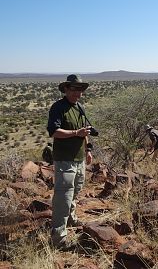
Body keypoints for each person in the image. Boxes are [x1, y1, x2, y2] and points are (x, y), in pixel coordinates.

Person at [47, 74, 93, 250]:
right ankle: (58, 238)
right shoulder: (58, 107)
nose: (77, 93)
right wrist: (76, 133)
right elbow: (54, 131)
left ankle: (72, 219)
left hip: (79, 158)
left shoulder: (79, 107)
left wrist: (88, 150)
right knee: (63, 197)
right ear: (66, 89)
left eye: (80, 89)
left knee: (75, 192)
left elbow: (85, 132)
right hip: (64, 159)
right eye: (73, 89)